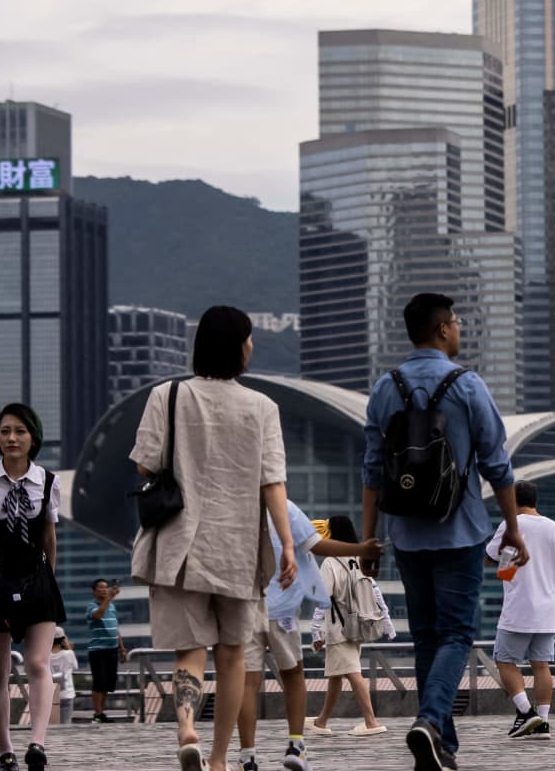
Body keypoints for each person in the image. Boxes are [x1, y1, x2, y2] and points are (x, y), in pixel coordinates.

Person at [130, 306, 300, 771]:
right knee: (232, 657)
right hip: (238, 548)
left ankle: (186, 727)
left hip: (181, 545)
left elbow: (145, 464)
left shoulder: (167, 395)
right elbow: (273, 483)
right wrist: (286, 544)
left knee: (191, 649)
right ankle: (221, 758)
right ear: (240, 345)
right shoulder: (262, 407)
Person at [362, 292, 525, 771]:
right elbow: (498, 465)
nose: (458, 329)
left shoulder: (384, 387)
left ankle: (441, 748)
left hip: (407, 534)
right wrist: (512, 529)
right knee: (456, 634)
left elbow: (372, 470)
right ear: (441, 330)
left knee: (427, 639)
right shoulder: (468, 385)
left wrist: (370, 538)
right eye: (455, 322)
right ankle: (431, 720)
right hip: (459, 529)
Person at [235, 503, 380, 771]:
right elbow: (317, 545)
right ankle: (296, 745)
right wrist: (361, 549)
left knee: (247, 683)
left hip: (244, 604)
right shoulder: (284, 507)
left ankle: (248, 756)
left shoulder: (232, 504)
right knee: (293, 674)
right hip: (282, 606)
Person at [0, 403, 67, 771]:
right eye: (5, 431)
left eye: (20, 431)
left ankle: (37, 743)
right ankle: (5, 749)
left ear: (33, 437)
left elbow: (49, 536)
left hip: (37, 579)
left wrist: (49, 579)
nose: (11, 438)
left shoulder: (49, 482)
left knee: (40, 663)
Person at [485, 481, 555, 739]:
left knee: (504, 660)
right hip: (548, 610)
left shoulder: (511, 525)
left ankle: (526, 713)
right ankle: (543, 723)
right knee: (541, 665)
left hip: (518, 608)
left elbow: (496, 564)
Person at [309, 515, 389, 740]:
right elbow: (374, 590)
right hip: (358, 625)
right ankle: (321, 720)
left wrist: (318, 630)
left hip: (339, 628)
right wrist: (386, 620)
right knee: (337, 675)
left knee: (353, 673)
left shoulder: (331, 562)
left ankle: (371, 722)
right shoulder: (358, 558)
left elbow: (323, 597)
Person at [82, 579, 127, 722]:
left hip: (112, 649)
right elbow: (98, 615)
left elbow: (115, 628)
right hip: (98, 649)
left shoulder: (112, 606)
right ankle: (97, 713)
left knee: (108, 682)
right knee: (99, 681)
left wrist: (122, 648)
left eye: (106, 588)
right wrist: (109, 598)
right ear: (94, 591)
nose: (104, 590)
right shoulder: (91, 606)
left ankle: (102, 713)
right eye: (101, 588)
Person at [51, 633, 78, 729]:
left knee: (52, 724)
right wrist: (69, 648)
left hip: (52, 693)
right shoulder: (69, 653)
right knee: (66, 723)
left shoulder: (46, 655)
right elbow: (75, 667)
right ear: (63, 640)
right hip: (67, 692)